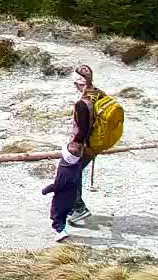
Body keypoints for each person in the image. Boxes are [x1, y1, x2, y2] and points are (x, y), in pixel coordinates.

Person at [68, 64, 96, 225]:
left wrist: (73, 147)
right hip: (96, 144)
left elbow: (81, 131)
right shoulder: (97, 94)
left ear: (80, 83)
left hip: (85, 146)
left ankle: (79, 208)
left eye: (75, 83)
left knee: (72, 172)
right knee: (76, 172)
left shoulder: (82, 103)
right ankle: (75, 206)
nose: (74, 86)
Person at [42, 140, 84, 242]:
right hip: (72, 196)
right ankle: (64, 226)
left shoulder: (64, 170)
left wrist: (47, 189)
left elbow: (58, 185)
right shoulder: (78, 164)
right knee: (64, 214)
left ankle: (60, 231)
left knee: (56, 214)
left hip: (61, 197)